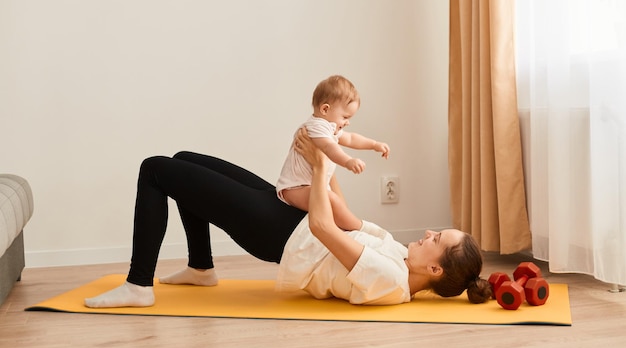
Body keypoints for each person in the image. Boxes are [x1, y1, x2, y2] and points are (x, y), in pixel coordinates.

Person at [85, 129, 492, 308]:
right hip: (289, 215)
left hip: (278, 235)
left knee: (155, 168)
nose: (428, 232)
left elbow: (323, 228)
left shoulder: (390, 280)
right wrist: (329, 158)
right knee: (184, 161)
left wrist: (316, 169)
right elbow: (345, 216)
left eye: (437, 237)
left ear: (435, 267)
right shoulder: (399, 252)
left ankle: (138, 284)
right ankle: (201, 267)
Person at [276, 75, 390, 231]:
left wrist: (374, 144)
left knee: (334, 203)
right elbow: (330, 148)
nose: (347, 122)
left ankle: (353, 229)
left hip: (309, 186)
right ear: (325, 109)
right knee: (332, 200)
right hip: (295, 189)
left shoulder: (329, 127)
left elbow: (351, 138)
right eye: (345, 117)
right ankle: (361, 228)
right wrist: (348, 161)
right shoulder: (316, 126)